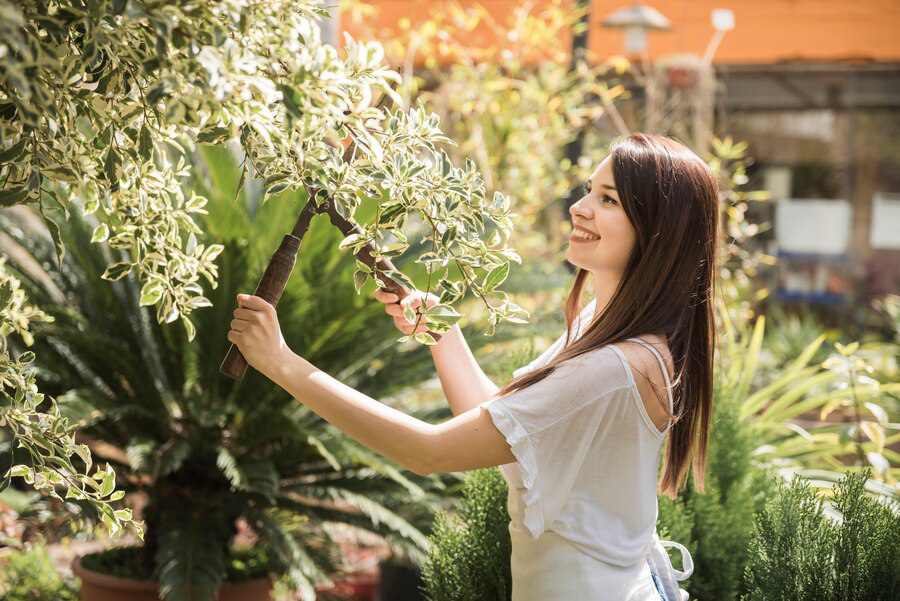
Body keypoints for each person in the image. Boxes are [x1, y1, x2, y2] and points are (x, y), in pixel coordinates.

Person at [228, 132, 719, 601]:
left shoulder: (615, 368)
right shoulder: (604, 330)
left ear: (658, 230)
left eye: (608, 199)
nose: (579, 206)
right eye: (589, 190)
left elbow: (430, 452)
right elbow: (505, 427)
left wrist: (281, 363)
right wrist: (442, 333)